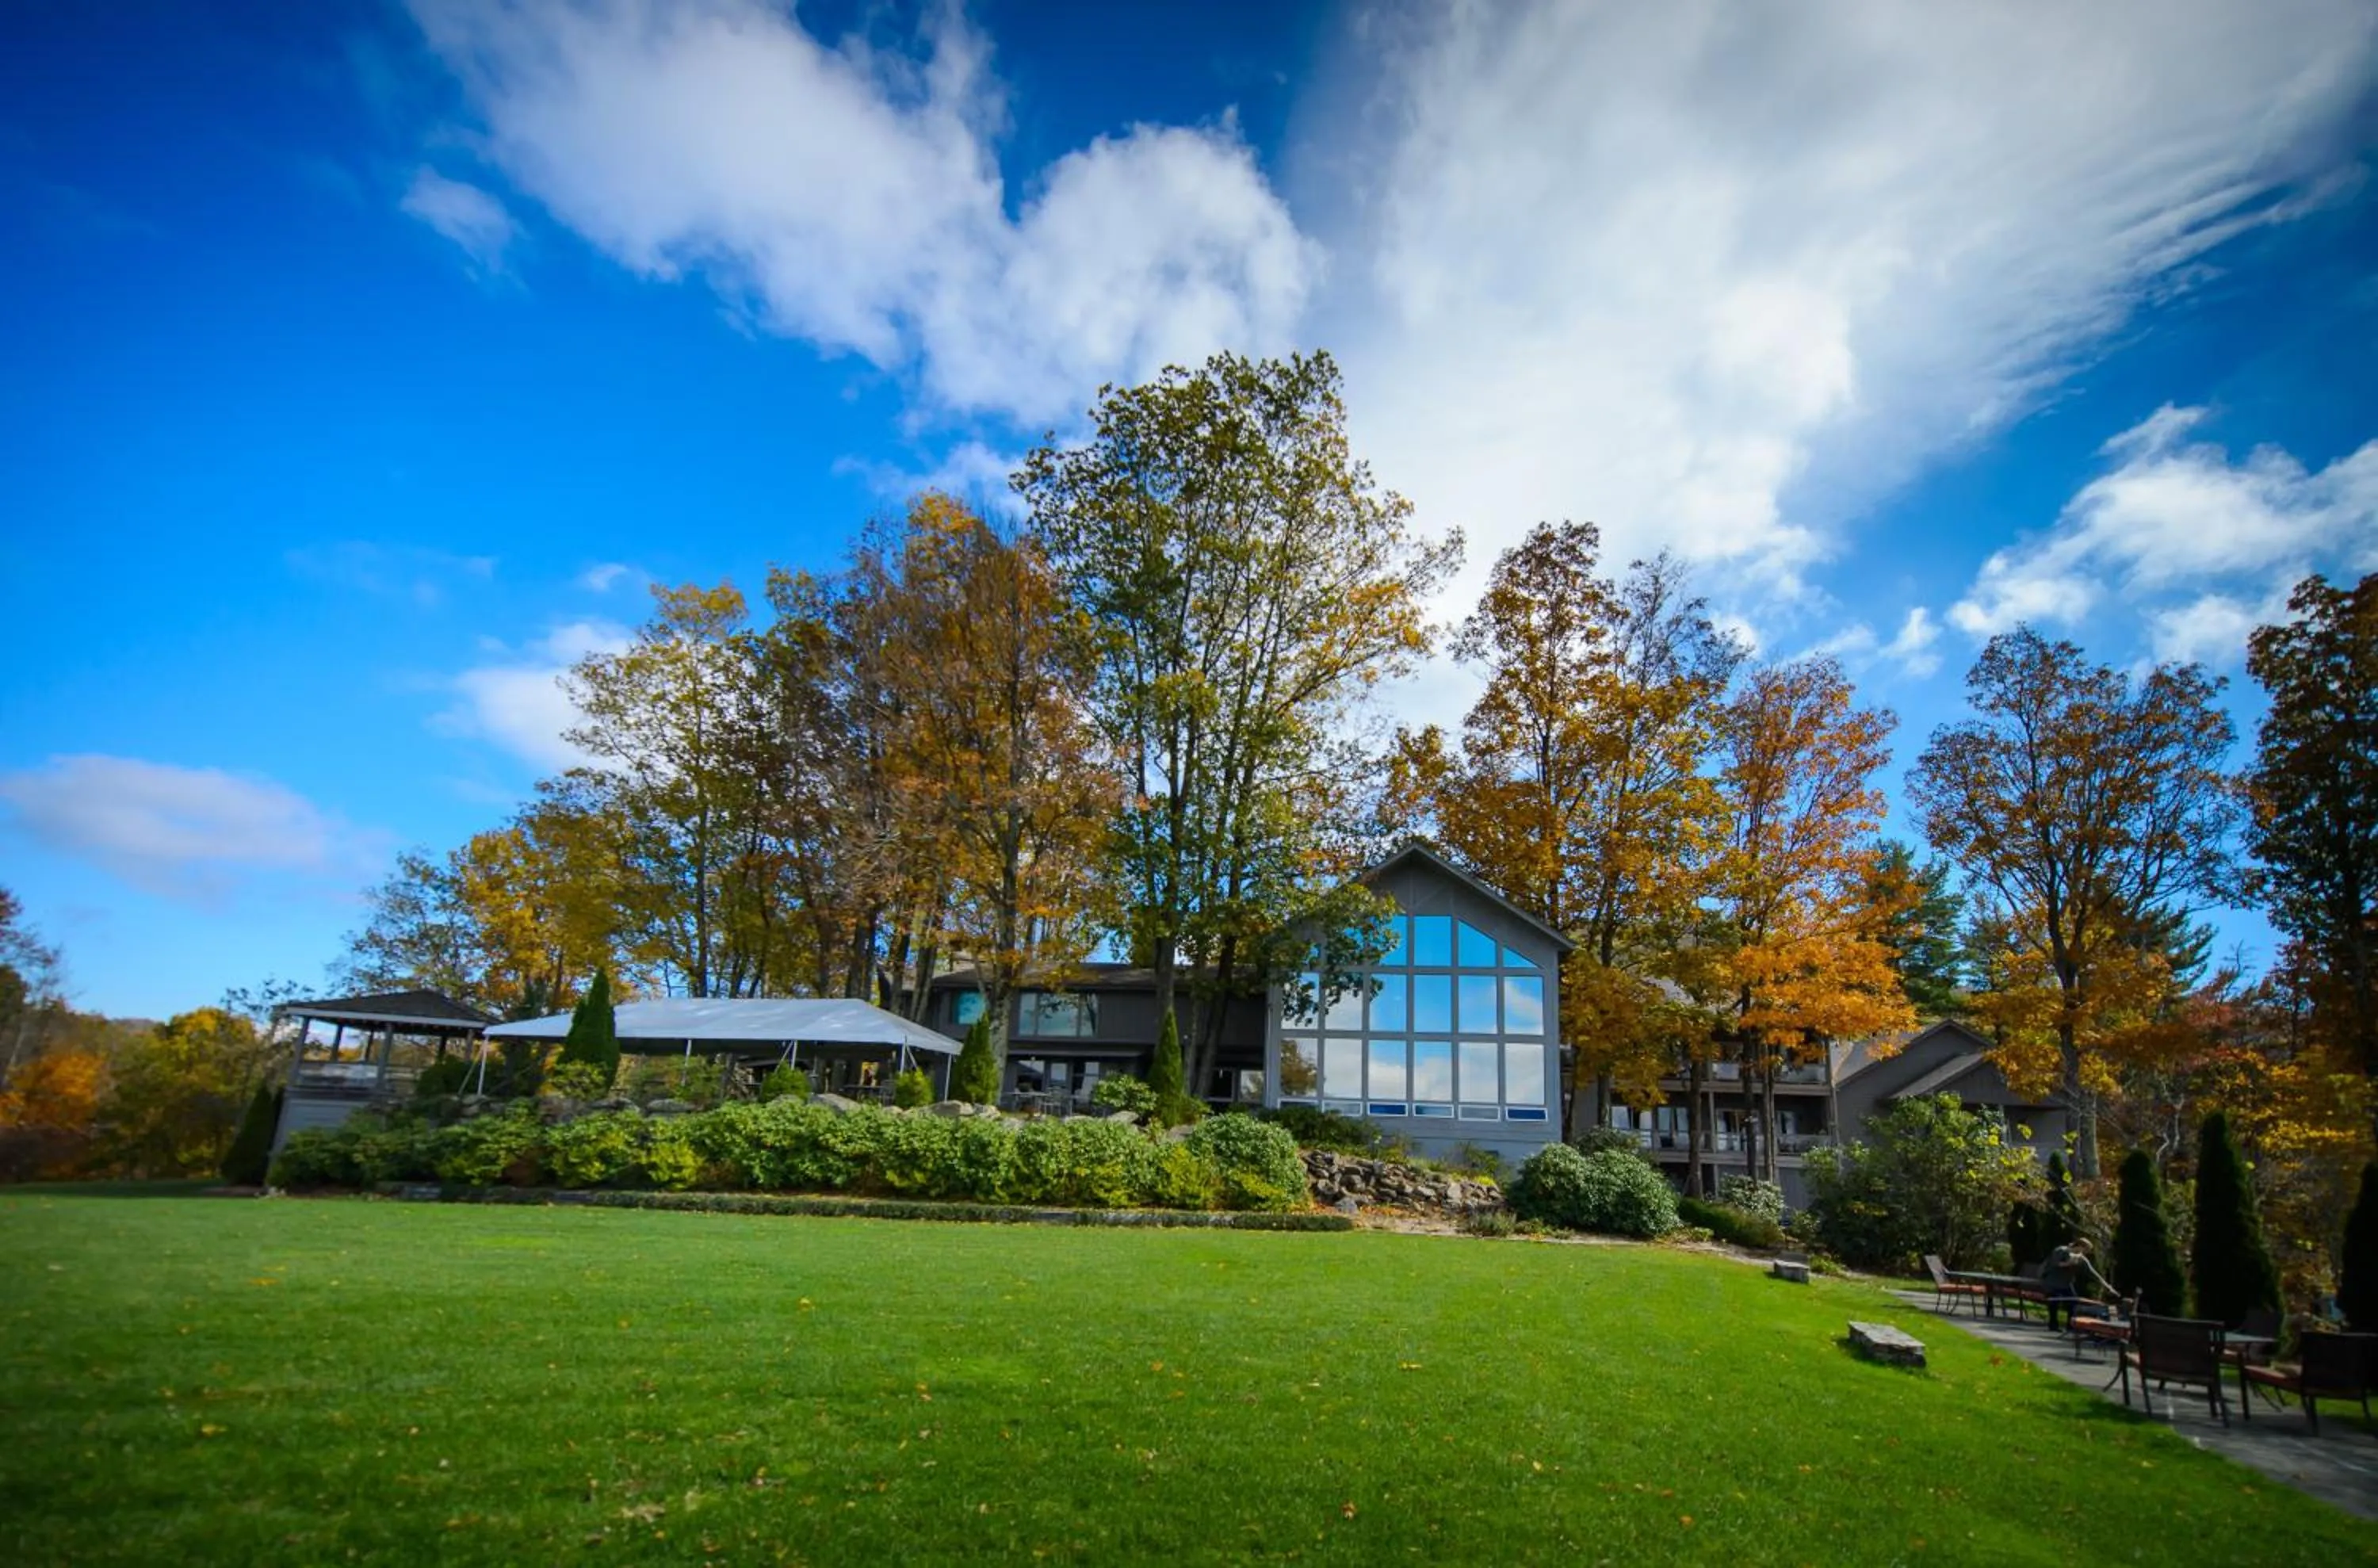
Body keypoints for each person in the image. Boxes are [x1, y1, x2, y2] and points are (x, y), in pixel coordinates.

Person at [2040, 1237, 2112, 1330]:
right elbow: (2056, 1264)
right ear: (2080, 1246)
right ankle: (2053, 1325)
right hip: (2052, 1281)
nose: (2086, 1252)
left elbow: (2092, 1272)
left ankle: (2070, 1326)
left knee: (2073, 1303)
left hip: (2066, 1283)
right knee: (2054, 1302)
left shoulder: (2081, 1258)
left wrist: (2106, 1286)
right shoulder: (2061, 1250)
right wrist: (2069, 1263)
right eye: (2086, 1249)